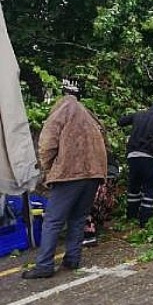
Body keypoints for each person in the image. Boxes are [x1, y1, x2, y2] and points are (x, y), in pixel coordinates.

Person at [23, 88, 107, 279]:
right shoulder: (89, 115)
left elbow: (47, 142)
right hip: (94, 173)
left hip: (70, 173)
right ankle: (72, 259)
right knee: (78, 218)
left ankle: (44, 265)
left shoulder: (61, 110)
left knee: (52, 220)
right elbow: (104, 140)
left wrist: (46, 167)